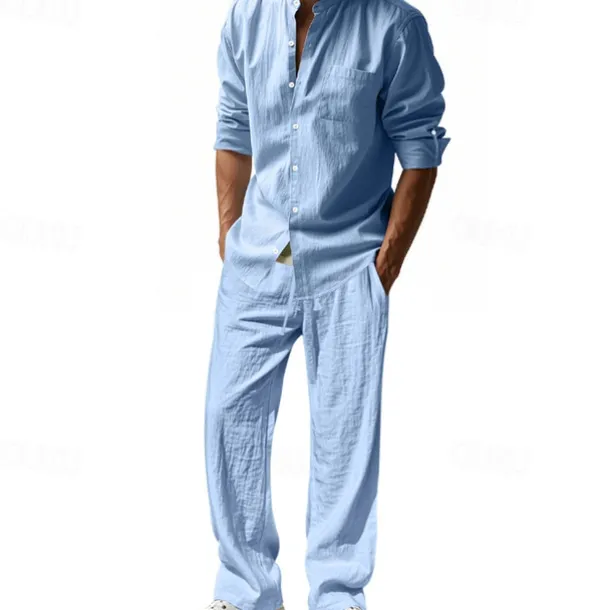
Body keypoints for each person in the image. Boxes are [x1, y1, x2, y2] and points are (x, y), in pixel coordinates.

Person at [204, 0, 449, 609]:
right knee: (228, 420)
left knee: (345, 440)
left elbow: (420, 150)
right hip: (258, 262)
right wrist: (231, 235)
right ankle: (244, 592)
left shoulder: (394, 27)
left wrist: (383, 268)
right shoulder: (248, 17)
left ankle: (338, 595)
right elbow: (233, 127)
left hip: (348, 265)